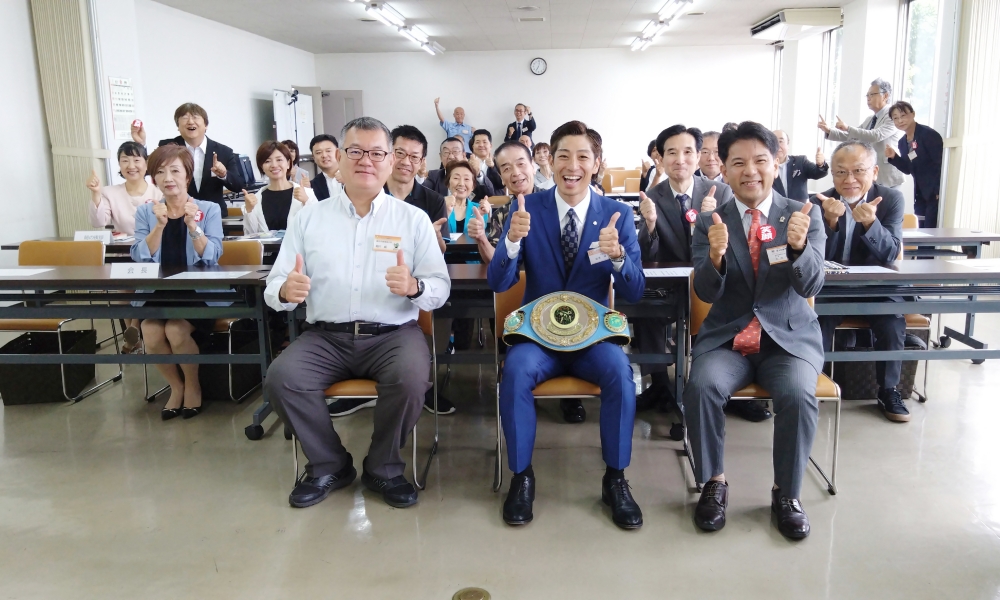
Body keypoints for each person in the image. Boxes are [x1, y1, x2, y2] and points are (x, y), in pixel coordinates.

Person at [263, 117, 450, 510]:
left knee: (411, 378)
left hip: (393, 335)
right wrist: (284, 290)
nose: (367, 160)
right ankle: (329, 463)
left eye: (377, 153)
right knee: (282, 378)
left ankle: (384, 467)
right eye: (356, 151)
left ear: (391, 161)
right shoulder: (309, 217)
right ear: (339, 158)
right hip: (325, 336)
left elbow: (439, 286)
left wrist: (415, 287)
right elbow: (275, 282)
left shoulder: (412, 219)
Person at [489, 120, 645, 529]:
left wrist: (618, 258)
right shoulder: (526, 209)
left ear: (597, 163)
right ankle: (521, 477)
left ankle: (616, 478)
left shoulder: (616, 215)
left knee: (620, 373)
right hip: (537, 339)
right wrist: (511, 242)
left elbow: (635, 289)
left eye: (582, 156)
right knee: (515, 371)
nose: (572, 166)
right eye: (563, 156)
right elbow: (499, 282)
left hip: (593, 339)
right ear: (549, 160)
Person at [684, 121, 826, 540]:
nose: (750, 171)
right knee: (701, 385)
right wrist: (715, 256)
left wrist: (799, 248)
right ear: (724, 170)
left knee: (798, 393)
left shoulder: (802, 215)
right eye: (738, 163)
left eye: (760, 160)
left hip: (787, 340)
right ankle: (713, 482)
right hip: (729, 340)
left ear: (776, 164)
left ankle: (788, 493)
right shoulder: (710, 221)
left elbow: (811, 286)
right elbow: (705, 291)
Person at [634, 124, 746, 417]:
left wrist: (708, 221)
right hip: (669, 285)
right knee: (643, 308)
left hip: (713, 281)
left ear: (698, 157)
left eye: (687, 152)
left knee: (737, 306)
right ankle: (659, 384)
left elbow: (735, 247)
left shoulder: (721, 192)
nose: (680, 159)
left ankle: (725, 383)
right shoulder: (653, 196)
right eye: (672, 153)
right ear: (660, 158)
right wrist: (649, 225)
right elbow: (646, 256)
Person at [813, 141, 908, 422]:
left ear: (874, 171)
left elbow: (891, 254)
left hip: (875, 288)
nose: (849, 179)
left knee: (892, 322)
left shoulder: (891, 199)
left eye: (858, 171)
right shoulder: (819, 201)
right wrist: (830, 222)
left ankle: (888, 390)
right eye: (841, 172)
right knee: (813, 319)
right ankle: (810, 384)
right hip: (832, 289)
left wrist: (870, 224)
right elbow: (814, 258)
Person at [130, 144, 224, 421]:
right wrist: (159, 226)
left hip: (198, 290)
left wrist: (193, 227)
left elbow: (213, 256)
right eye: (160, 172)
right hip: (159, 291)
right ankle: (176, 386)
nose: (168, 178)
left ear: (188, 176)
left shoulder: (208, 209)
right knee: (150, 332)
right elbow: (139, 256)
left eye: (175, 171)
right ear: (153, 179)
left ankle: (193, 385)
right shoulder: (146, 212)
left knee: (175, 329)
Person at [86, 141, 163, 353]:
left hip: (154, 254)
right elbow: (98, 222)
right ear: (119, 165)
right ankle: (134, 333)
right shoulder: (110, 192)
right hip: (124, 254)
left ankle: (133, 332)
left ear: (146, 164)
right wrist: (95, 194)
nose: (131, 165)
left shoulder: (158, 192)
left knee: (142, 287)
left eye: (137, 160)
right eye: (125, 160)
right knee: (124, 292)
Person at [131, 103, 245, 215]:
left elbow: (238, 186)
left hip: (213, 215)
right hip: (178, 215)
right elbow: (146, 170)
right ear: (178, 126)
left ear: (206, 125)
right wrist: (141, 145)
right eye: (184, 118)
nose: (190, 121)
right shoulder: (167, 146)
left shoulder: (224, 151)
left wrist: (224, 174)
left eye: (195, 117)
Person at [819, 78, 904, 188]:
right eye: (867, 95)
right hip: (870, 173)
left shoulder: (893, 115)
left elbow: (876, 135)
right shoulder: (870, 119)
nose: (868, 98)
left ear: (885, 96)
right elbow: (852, 136)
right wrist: (829, 131)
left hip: (888, 176)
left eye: (872, 94)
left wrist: (848, 128)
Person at [886, 101, 944, 228]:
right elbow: (908, 169)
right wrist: (894, 157)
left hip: (935, 193)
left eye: (903, 115)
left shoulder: (928, 135)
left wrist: (939, 189)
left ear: (913, 114)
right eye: (895, 118)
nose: (900, 121)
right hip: (920, 193)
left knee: (931, 229)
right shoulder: (902, 142)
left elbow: (940, 163)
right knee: (920, 228)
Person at [242, 141, 317, 235]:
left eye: (279, 160)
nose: (274, 165)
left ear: (288, 163)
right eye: (267, 161)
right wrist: (249, 210)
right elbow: (250, 235)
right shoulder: (256, 199)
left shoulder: (307, 194)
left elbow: (317, 227)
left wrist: (306, 202)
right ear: (262, 167)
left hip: (298, 245)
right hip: (267, 245)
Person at [423, 137, 496, 198]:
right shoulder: (434, 176)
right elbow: (422, 193)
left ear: (464, 155)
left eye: (455, 151)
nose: (451, 157)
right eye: (446, 152)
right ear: (440, 157)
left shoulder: (471, 175)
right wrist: (420, 176)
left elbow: (489, 193)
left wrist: (478, 174)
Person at [772, 130, 828, 201]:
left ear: (788, 145)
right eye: (773, 142)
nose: (777, 145)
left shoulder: (800, 161)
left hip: (800, 206)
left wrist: (821, 164)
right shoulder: (765, 166)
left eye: (780, 141)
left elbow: (817, 173)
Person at [443, 161, 489, 238]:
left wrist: (480, 216)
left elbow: (480, 238)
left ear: (473, 186)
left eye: (466, 179)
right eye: (456, 178)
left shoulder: (479, 209)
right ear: (448, 183)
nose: (461, 183)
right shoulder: (438, 207)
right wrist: (444, 211)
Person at [308, 134, 342, 201]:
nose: (324, 155)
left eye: (328, 151)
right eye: (318, 152)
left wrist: (349, 183)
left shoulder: (353, 176)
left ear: (338, 152)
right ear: (313, 157)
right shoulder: (312, 185)